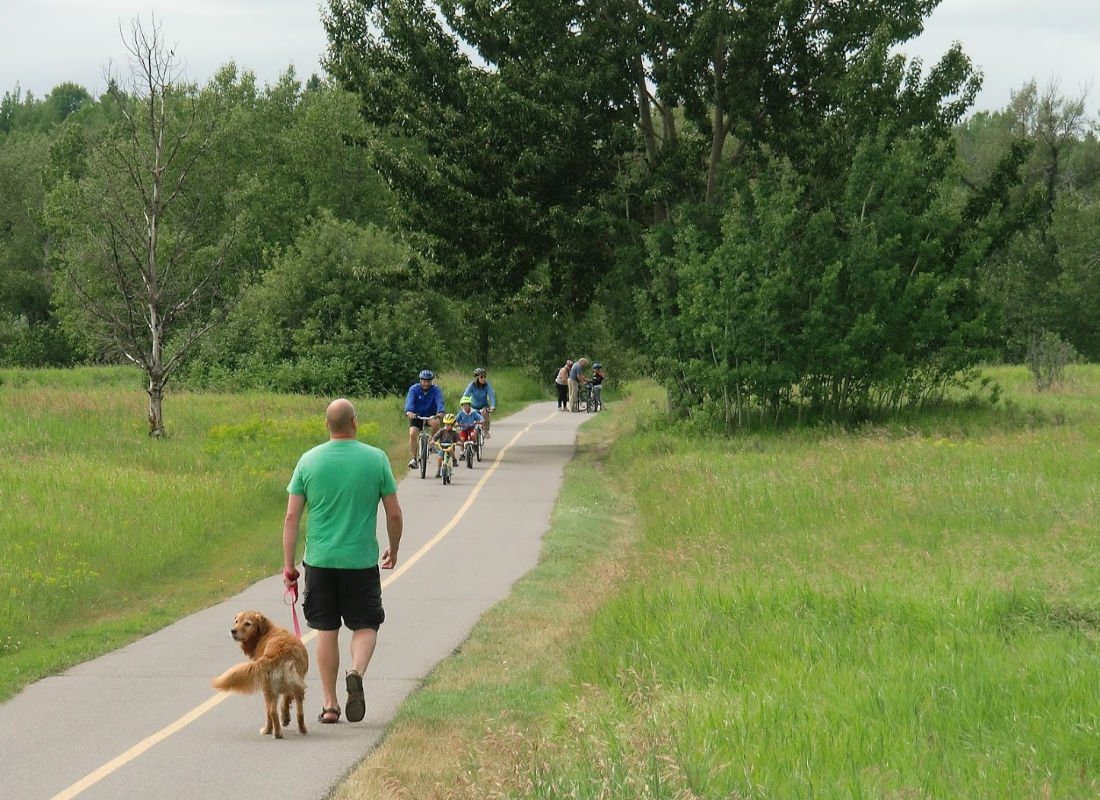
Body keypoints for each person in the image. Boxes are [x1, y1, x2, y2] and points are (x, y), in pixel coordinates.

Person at [282, 398, 403, 726]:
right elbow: (393, 512)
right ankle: (356, 672)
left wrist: (289, 564)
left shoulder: (309, 461)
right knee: (365, 624)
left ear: (327, 425)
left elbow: (292, 515)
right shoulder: (376, 459)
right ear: (355, 422)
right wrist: (394, 547)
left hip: (320, 561)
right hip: (360, 560)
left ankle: (331, 704)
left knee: (326, 629)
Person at [404, 369, 445, 468]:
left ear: (431, 381)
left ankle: (431, 443)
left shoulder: (436, 390)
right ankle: (414, 458)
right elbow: (410, 402)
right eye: (424, 381)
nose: (426, 383)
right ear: (420, 380)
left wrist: (440, 412)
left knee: (436, 423)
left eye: (428, 381)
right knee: (413, 433)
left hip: (430, 416)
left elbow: (439, 401)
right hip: (416, 416)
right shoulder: (414, 389)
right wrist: (409, 411)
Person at [462, 367, 496, 437]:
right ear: (476, 378)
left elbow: (491, 395)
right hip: (473, 406)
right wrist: (464, 405)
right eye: (481, 377)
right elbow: (465, 395)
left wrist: (493, 405)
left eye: (485, 377)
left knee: (485, 414)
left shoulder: (487, 385)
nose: (484, 378)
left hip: (484, 406)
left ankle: (485, 431)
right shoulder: (472, 385)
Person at [429, 413, 463, 478]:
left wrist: (458, 442)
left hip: (450, 447)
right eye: (446, 424)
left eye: (449, 424)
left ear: (452, 425)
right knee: (439, 458)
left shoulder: (454, 432)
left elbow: (458, 439)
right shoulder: (441, 431)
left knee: (451, 449)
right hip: (442, 448)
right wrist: (433, 440)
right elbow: (435, 437)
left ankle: (454, 459)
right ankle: (438, 471)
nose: (447, 426)